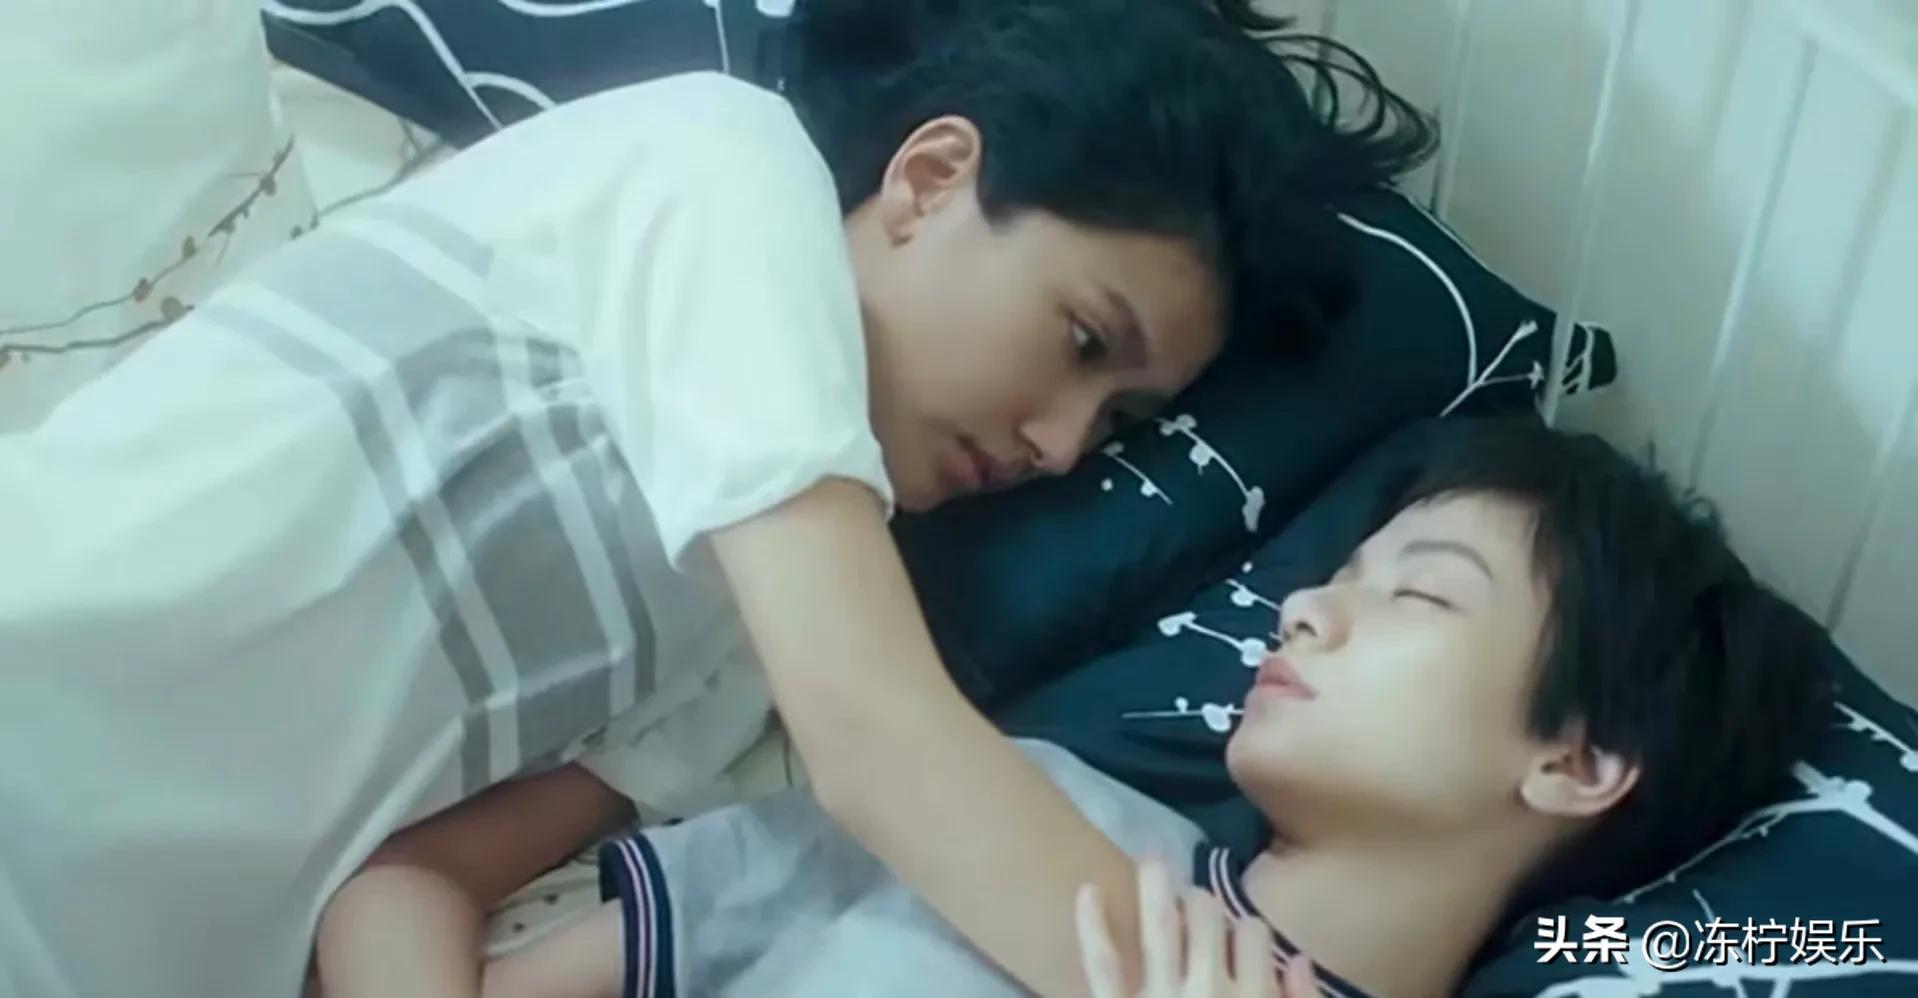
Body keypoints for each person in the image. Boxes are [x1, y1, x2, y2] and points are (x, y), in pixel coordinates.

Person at [0, 2, 1435, 996]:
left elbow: (407, 877)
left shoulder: (749, 651)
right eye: (1079, 340)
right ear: (932, 178)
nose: (1064, 446)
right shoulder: (723, 172)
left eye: (1119, 421)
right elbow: (878, 740)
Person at [322, 419, 1832, 997]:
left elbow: (1806, 946)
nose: (1305, 609)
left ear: (1576, 759)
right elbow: (408, 922)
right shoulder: (1011, 804)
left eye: (1419, 596)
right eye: (1337, 575)